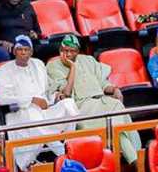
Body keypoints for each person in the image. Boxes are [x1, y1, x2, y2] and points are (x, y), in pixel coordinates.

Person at [0, 35, 79, 170]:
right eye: (20, 49)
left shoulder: (38, 64)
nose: (23, 53)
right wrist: (31, 100)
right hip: (22, 111)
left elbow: (47, 91)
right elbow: (1, 98)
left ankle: (69, 144)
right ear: (14, 51)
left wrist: (55, 96)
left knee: (69, 104)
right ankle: (63, 154)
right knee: (34, 116)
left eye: (26, 49)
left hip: (45, 108)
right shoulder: (5, 71)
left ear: (31, 52)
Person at [47, 35, 141, 164]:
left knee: (119, 114)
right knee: (116, 130)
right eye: (64, 50)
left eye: (72, 51)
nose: (68, 54)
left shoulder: (88, 60)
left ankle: (136, 158)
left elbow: (103, 83)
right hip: (81, 106)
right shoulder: (53, 66)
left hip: (102, 101)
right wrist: (72, 67)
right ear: (60, 50)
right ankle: (137, 163)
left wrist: (114, 89)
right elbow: (67, 93)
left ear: (78, 51)